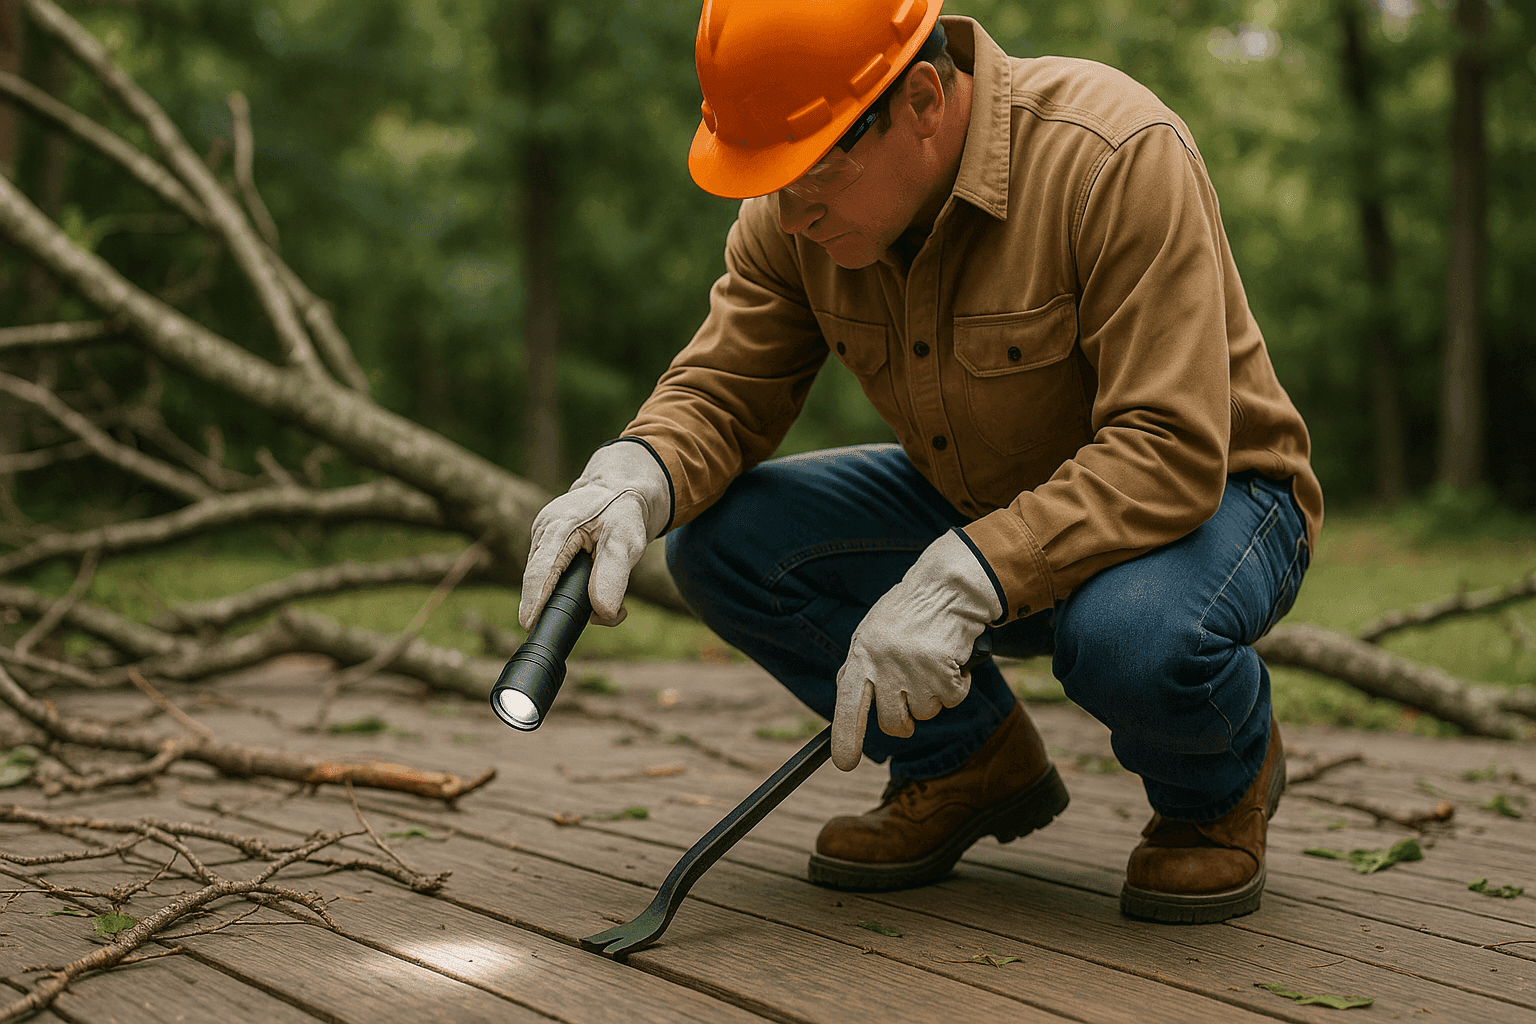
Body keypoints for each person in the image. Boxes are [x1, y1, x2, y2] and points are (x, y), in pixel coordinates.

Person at [520, 0, 1323, 925]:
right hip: (985, 502)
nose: (788, 207)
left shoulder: (1113, 153)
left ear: (926, 100)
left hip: (1218, 503)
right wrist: (632, 474)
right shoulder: (795, 215)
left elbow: (1172, 447)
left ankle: (1217, 789)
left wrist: (972, 574)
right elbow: (721, 391)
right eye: (767, 174)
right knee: (728, 542)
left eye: (812, 167)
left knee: (1130, 639)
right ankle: (967, 762)